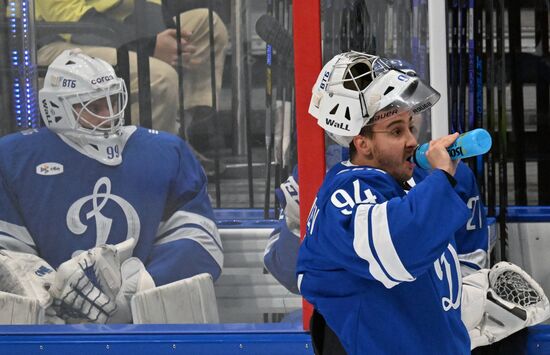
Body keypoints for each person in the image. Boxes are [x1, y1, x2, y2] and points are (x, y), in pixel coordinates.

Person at [293, 51, 549, 354]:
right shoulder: (347, 194)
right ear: (362, 143)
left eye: (410, 127)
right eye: (396, 131)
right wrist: (441, 175)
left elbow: (414, 293)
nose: (413, 141)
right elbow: (401, 248)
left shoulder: (399, 190)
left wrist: (470, 300)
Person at [0, 49, 223, 324]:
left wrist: (141, 286)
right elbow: (6, 248)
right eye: (93, 107)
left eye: (113, 101)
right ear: (56, 108)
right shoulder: (13, 159)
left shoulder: (166, 153)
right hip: (46, 332)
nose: (109, 115)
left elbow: (200, 241)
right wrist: (43, 288)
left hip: (145, 326)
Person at [34, 0, 228, 170]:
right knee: (159, 76)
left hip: (120, 34)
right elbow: (68, 18)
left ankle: (179, 137)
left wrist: (165, 40)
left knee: (207, 24)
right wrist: (150, 46)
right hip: (63, 42)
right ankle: (146, 164)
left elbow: (150, 7)